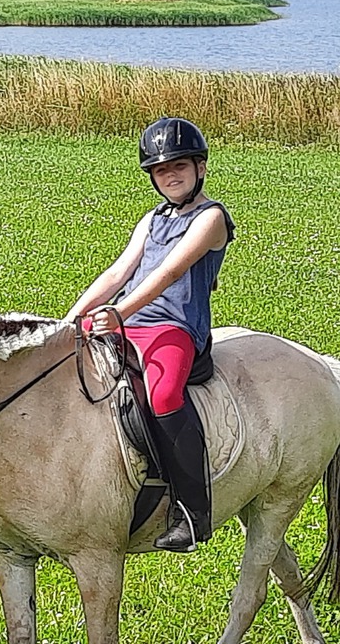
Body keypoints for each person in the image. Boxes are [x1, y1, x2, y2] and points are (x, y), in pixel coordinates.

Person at [64, 117, 234, 553]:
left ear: (200, 168)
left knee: (163, 395)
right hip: (129, 320)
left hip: (174, 326)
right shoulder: (153, 219)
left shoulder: (211, 218)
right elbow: (119, 272)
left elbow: (169, 272)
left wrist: (119, 312)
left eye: (179, 165)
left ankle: (192, 511)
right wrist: (71, 319)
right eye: (161, 169)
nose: (170, 175)